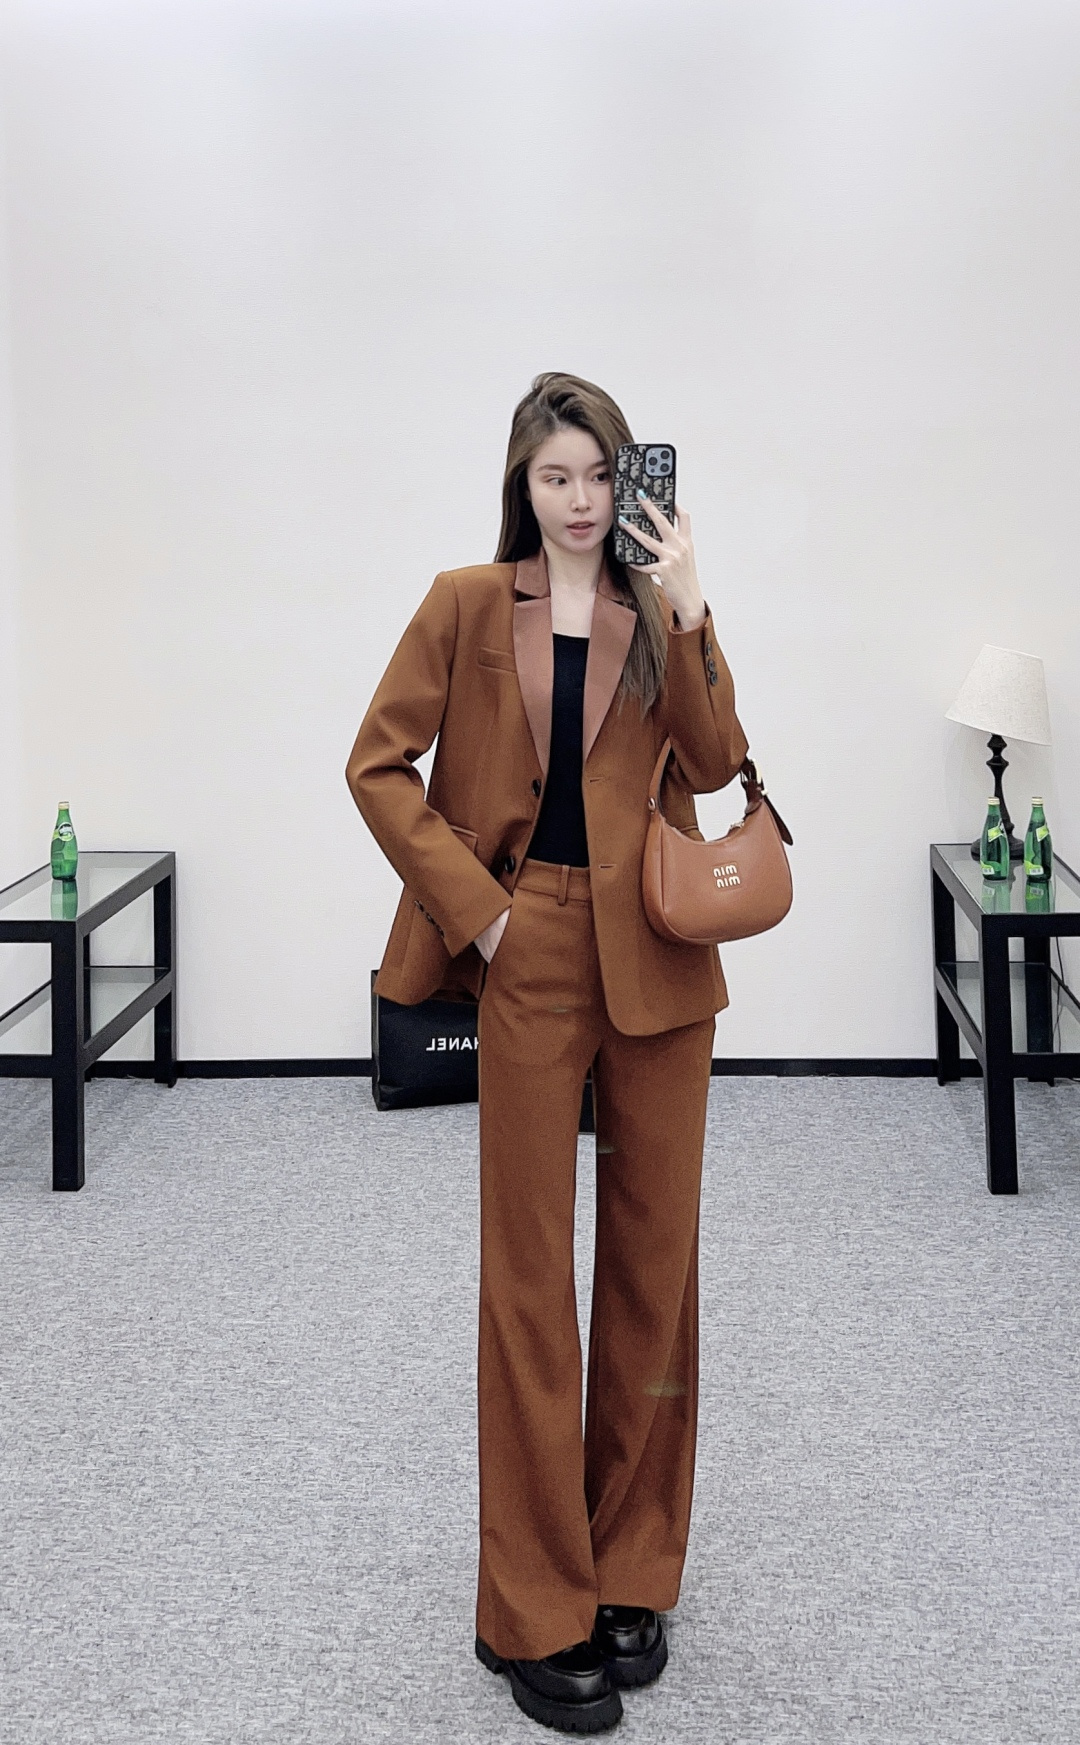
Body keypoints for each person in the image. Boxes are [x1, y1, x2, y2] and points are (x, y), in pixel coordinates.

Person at [346, 373, 748, 1734]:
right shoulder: (469, 601)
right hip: (528, 944)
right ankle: (528, 1601)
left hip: (659, 951)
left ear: (632, 482)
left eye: (600, 474)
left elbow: (717, 763)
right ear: (523, 487)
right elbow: (377, 765)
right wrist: (481, 913)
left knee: (654, 1263)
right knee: (527, 1277)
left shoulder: (660, 610)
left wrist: (687, 601)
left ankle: (632, 1567)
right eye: (555, 477)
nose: (581, 500)